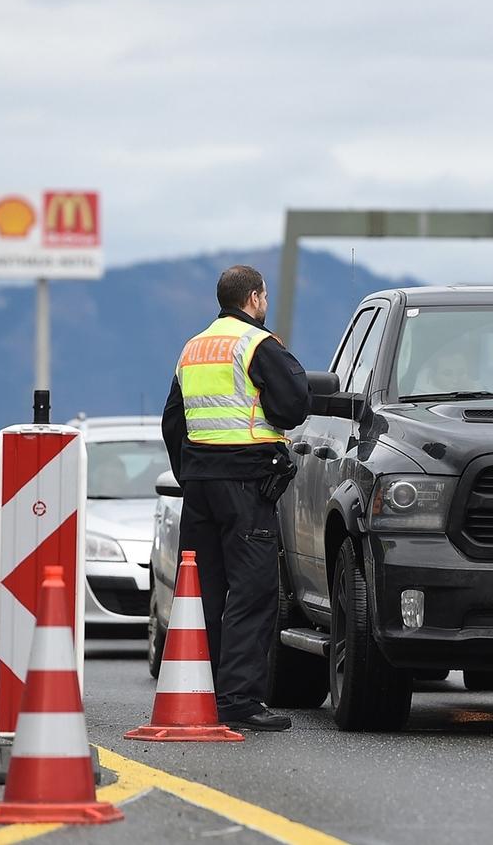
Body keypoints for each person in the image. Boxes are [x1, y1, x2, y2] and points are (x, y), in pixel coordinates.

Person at [162, 265, 311, 731]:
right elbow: (293, 406)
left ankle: (198, 692)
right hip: (246, 484)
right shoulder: (257, 344)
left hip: (201, 486)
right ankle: (239, 701)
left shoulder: (193, 348)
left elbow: (172, 421)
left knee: (203, 591)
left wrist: (191, 475)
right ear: (254, 297)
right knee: (251, 592)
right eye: (264, 296)